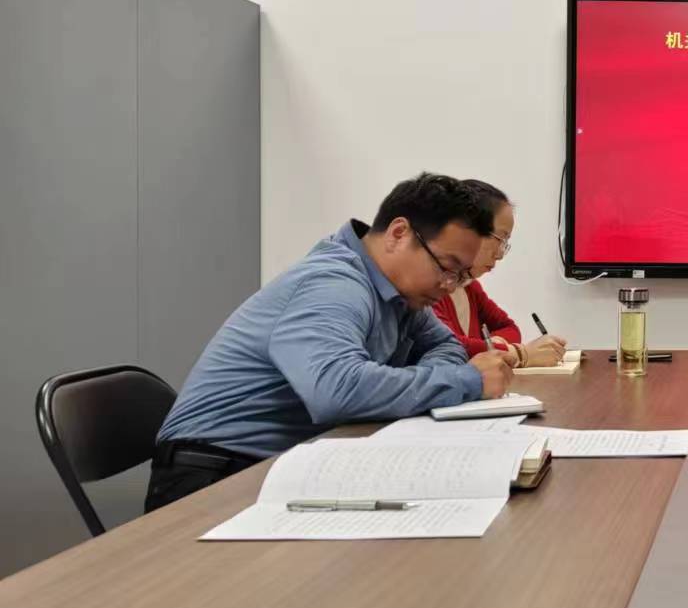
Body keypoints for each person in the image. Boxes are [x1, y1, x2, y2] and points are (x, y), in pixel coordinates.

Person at [149, 174, 513, 510]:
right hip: (213, 473)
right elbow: (337, 390)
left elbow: (446, 347)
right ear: (399, 234)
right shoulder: (333, 284)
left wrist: (419, 380)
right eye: (446, 267)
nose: (449, 285)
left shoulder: (401, 294)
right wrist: (466, 381)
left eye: (460, 275)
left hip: (286, 464)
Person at [432, 180, 569, 368]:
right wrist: (519, 354)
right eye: (500, 239)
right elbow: (450, 347)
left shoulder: (469, 286)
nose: (500, 254)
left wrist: (492, 348)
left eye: (505, 243)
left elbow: (509, 328)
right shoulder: (428, 286)